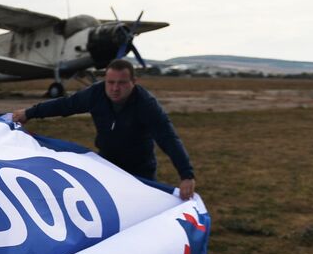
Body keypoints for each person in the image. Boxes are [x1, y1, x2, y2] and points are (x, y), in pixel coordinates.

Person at [10, 59, 196, 200]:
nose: (115, 88)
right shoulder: (96, 93)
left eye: (122, 83)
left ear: (134, 82)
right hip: (107, 166)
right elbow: (66, 105)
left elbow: (168, 137)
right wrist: (29, 113)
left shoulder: (146, 104)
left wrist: (186, 175)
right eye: (110, 82)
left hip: (140, 171)